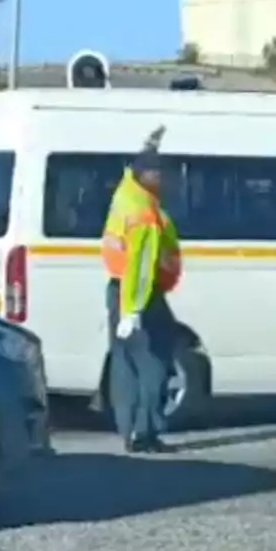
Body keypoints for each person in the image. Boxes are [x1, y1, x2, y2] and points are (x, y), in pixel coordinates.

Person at [101, 131, 178, 454]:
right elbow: (142, 268)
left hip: (116, 288)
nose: (162, 178)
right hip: (140, 295)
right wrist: (133, 310)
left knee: (124, 364)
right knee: (155, 365)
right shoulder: (145, 214)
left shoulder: (125, 194)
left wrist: (148, 148)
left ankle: (127, 431)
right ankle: (146, 433)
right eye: (157, 172)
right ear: (146, 175)